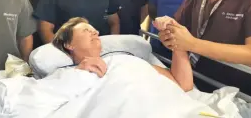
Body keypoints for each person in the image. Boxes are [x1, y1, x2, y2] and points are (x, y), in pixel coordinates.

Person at [52, 17, 193, 91]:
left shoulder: (125, 60)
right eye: (86, 30)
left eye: (94, 30)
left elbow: (184, 84)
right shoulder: (66, 74)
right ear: (68, 44)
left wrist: (175, 37)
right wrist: (77, 73)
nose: (95, 32)